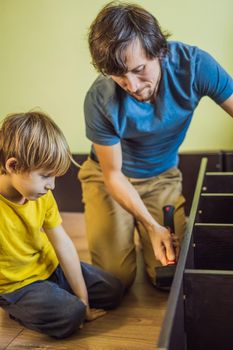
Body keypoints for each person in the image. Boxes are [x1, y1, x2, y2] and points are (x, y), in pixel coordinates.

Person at [78, 1, 233, 290]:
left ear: (159, 50)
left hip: (161, 177)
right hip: (107, 178)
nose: (132, 85)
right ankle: (135, 228)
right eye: (119, 76)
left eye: (139, 70)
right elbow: (113, 175)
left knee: (169, 278)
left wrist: (155, 226)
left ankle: (138, 229)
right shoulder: (100, 98)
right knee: (115, 281)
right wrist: (152, 225)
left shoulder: (195, 66)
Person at [0, 111, 123, 338]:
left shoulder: (40, 194)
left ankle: (57, 294)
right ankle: (22, 309)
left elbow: (63, 245)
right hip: (18, 287)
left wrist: (84, 300)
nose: (52, 186)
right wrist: (78, 308)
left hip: (51, 268)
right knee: (70, 315)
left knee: (114, 289)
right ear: (13, 166)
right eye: (46, 175)